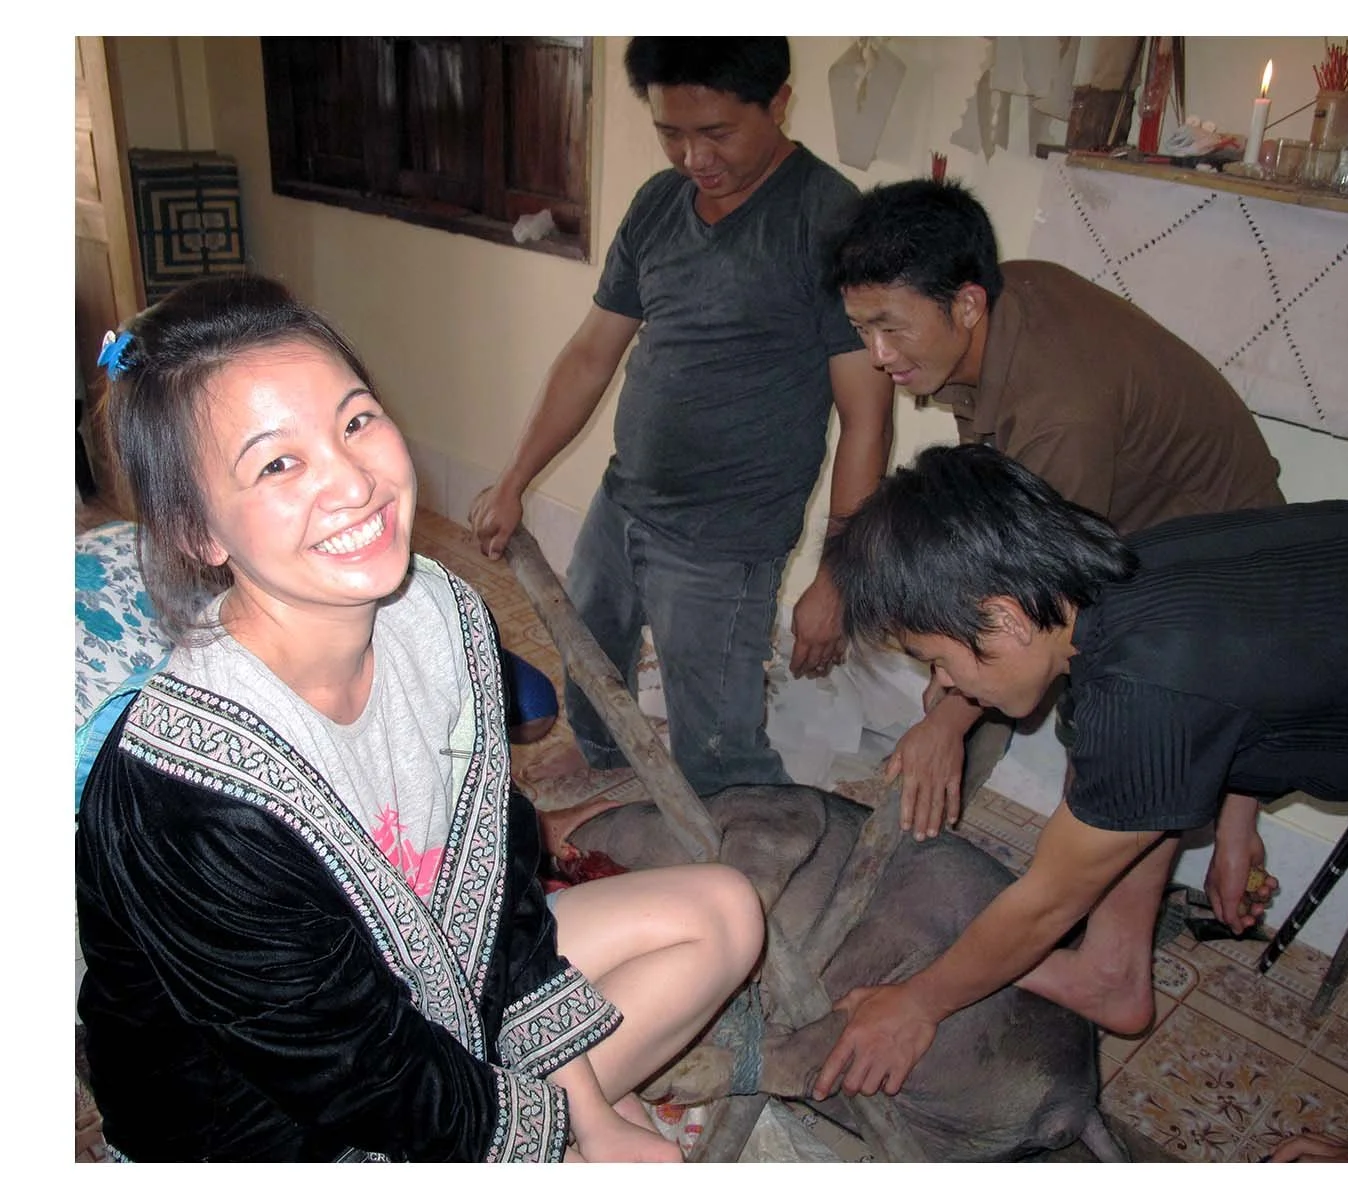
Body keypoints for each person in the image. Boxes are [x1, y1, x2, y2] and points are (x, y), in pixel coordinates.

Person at [74, 275, 766, 1162]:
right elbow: (364, 1076)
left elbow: (504, 898)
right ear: (197, 533)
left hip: (440, 980)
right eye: (278, 464)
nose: (355, 482)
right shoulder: (183, 790)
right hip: (266, 1120)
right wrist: (564, 1134)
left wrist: (590, 1110)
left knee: (724, 913)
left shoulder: (442, 619)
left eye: (356, 420)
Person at [810, 443, 1348, 1102]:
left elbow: (1047, 901)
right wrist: (1239, 818)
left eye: (935, 659)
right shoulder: (1130, 575)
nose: (944, 684)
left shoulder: (1141, 692)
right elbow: (1256, 675)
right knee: (1103, 761)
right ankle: (1109, 972)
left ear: (1006, 619)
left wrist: (916, 1004)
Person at [469, 37, 893, 797]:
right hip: (627, 494)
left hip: (727, 538)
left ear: (780, 104)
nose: (694, 157)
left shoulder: (827, 220)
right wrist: (515, 477)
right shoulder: (658, 205)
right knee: (589, 649)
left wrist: (840, 573)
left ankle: (741, 835)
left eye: (718, 132)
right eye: (672, 132)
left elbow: (867, 416)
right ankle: (603, 756)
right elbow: (591, 353)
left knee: (714, 741)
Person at [826, 178, 1286, 842]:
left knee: (1113, 755)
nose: (878, 355)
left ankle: (1107, 933)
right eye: (862, 329)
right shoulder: (990, 317)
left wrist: (947, 722)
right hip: (1125, 529)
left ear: (966, 305)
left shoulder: (1059, 414)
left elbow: (1031, 596)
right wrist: (948, 694)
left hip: (1217, 560)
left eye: (890, 328)